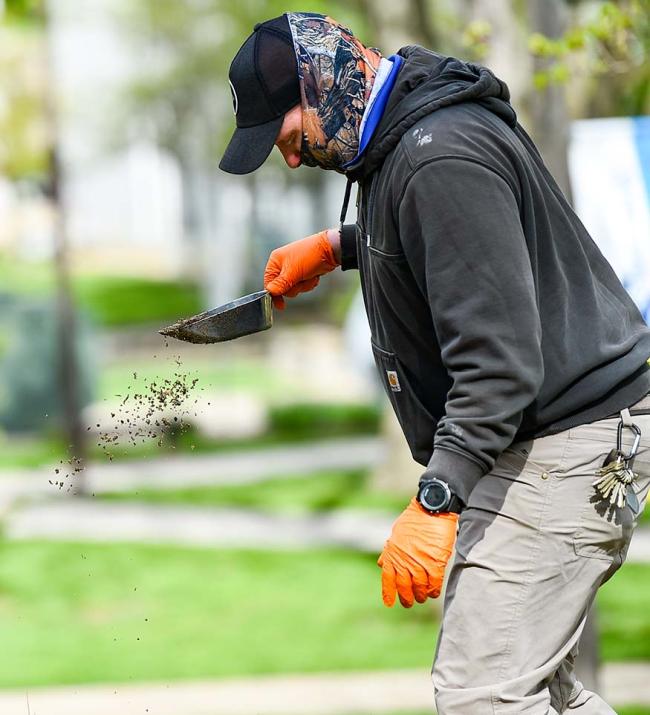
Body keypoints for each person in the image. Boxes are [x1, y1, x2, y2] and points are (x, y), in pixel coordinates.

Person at [219, 12, 650, 715]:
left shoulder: (437, 154)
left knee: (484, 695)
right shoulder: (411, 138)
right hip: (552, 434)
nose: (290, 158)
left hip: (572, 438)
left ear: (322, 82)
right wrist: (340, 245)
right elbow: (462, 238)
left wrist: (437, 499)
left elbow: (499, 362)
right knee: (542, 694)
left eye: (288, 137)